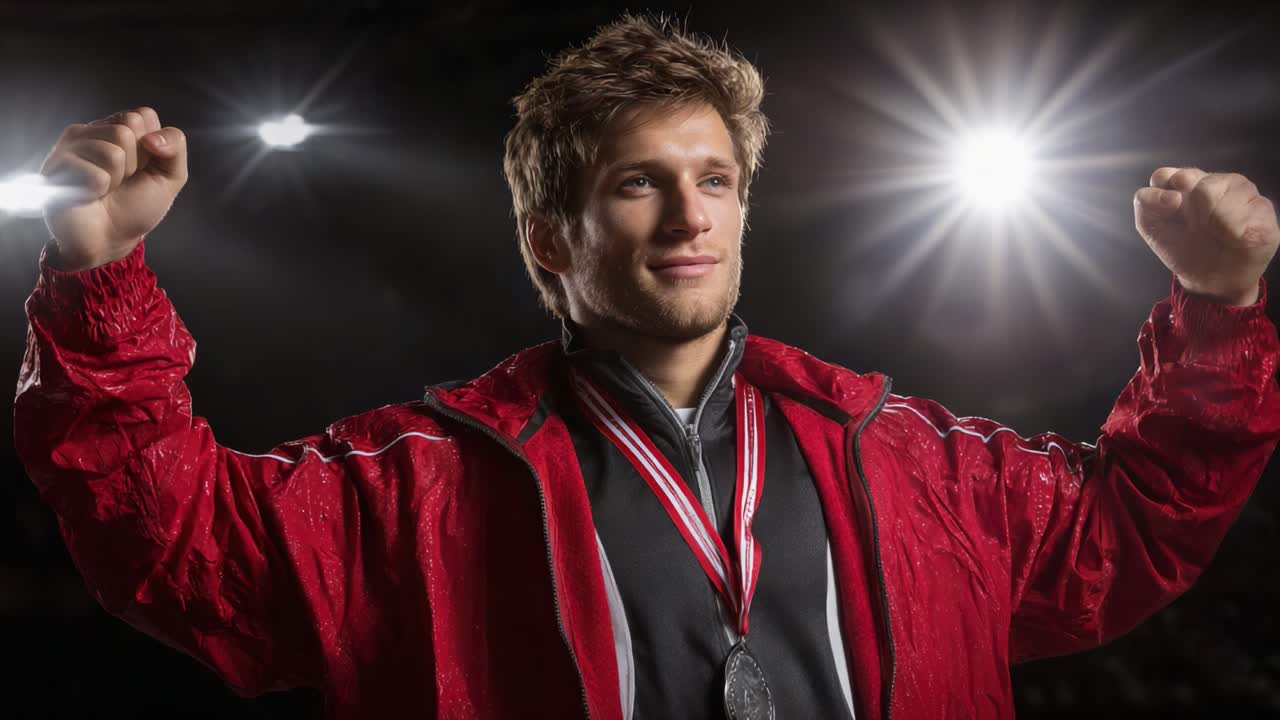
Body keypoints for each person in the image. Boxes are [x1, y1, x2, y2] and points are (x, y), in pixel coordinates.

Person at [13, 13, 1280, 720]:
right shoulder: (415, 483)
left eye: (714, 181)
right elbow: (180, 552)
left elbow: (1128, 525)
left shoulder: (905, 457)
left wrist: (1218, 307)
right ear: (546, 240)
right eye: (638, 183)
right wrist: (95, 279)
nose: (689, 216)